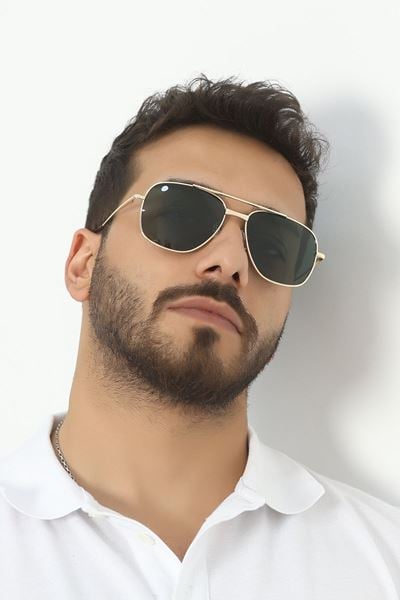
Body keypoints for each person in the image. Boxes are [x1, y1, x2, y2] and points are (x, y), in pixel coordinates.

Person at [1, 75, 399, 599]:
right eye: (182, 215)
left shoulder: (383, 560)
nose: (231, 262)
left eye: (275, 246)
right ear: (83, 263)